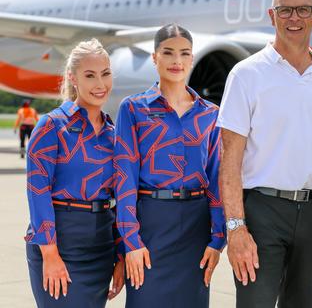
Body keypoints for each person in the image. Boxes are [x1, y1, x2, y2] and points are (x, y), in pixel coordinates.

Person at [217, 0, 312, 308]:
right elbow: (229, 159)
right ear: (271, 16)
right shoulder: (246, 75)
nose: (294, 18)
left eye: (303, 10)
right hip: (262, 212)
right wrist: (235, 229)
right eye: (285, 10)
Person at [113, 24, 225, 308]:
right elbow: (124, 178)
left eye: (184, 54)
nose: (177, 61)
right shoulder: (133, 108)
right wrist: (131, 241)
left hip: (196, 229)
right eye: (168, 53)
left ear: (191, 58)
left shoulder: (210, 115)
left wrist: (217, 239)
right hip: (150, 225)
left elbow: (216, 180)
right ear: (154, 58)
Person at [25, 38, 124, 307]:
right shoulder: (51, 127)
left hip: (100, 249)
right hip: (59, 245)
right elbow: (37, 192)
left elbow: (117, 201)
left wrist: (121, 255)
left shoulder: (113, 135)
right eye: (90, 75)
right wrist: (50, 255)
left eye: (105, 74)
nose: (100, 84)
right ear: (73, 78)